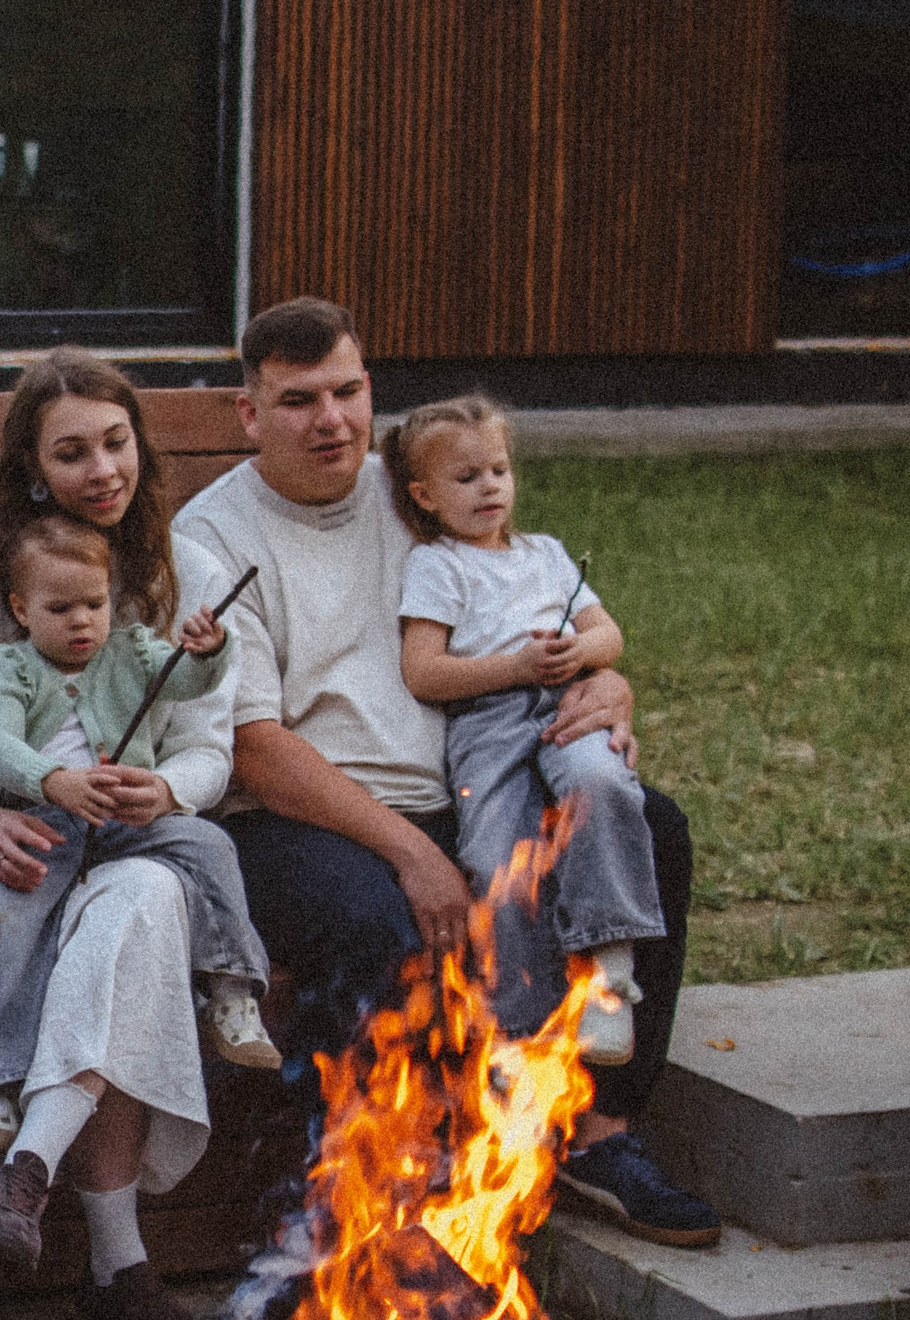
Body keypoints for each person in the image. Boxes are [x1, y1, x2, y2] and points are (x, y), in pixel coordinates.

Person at [173, 297, 717, 1248]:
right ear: (250, 414)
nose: (332, 420)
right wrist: (412, 853)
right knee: (378, 919)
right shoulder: (212, 538)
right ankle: (369, 1196)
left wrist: (605, 681)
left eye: (348, 391)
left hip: (469, 780)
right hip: (295, 816)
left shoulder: (412, 490)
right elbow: (255, 746)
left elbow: (529, 600)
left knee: (652, 828)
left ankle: (596, 1133)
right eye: (299, 401)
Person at [0, 347, 237, 1320]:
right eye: (72, 453)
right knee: (126, 939)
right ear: (32, 470)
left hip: (134, 840)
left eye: (116, 443)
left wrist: (164, 792)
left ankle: (30, 1170)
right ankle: (118, 1272)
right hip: (9, 855)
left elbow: (209, 745)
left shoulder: (183, 570)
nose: (102, 471)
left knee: (139, 905)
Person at [0, 513, 280, 1266]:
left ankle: (233, 992)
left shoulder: (130, 650)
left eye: (94, 604)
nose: (81, 622)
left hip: (127, 823)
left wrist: (209, 649)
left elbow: (190, 680)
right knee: (2, 919)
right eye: (60, 608)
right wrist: (51, 780)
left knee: (208, 844)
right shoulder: (9, 669)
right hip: (42, 822)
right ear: (20, 609)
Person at [387, 393, 662, 1071]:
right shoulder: (438, 565)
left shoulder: (547, 554)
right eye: (466, 477)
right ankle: (520, 1025)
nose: (489, 487)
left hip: (567, 703)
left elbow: (608, 633)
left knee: (603, 784)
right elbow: (423, 671)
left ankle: (609, 972)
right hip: (487, 721)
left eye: (499, 471)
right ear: (424, 496)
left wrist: (582, 653)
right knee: (498, 855)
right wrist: (513, 666)